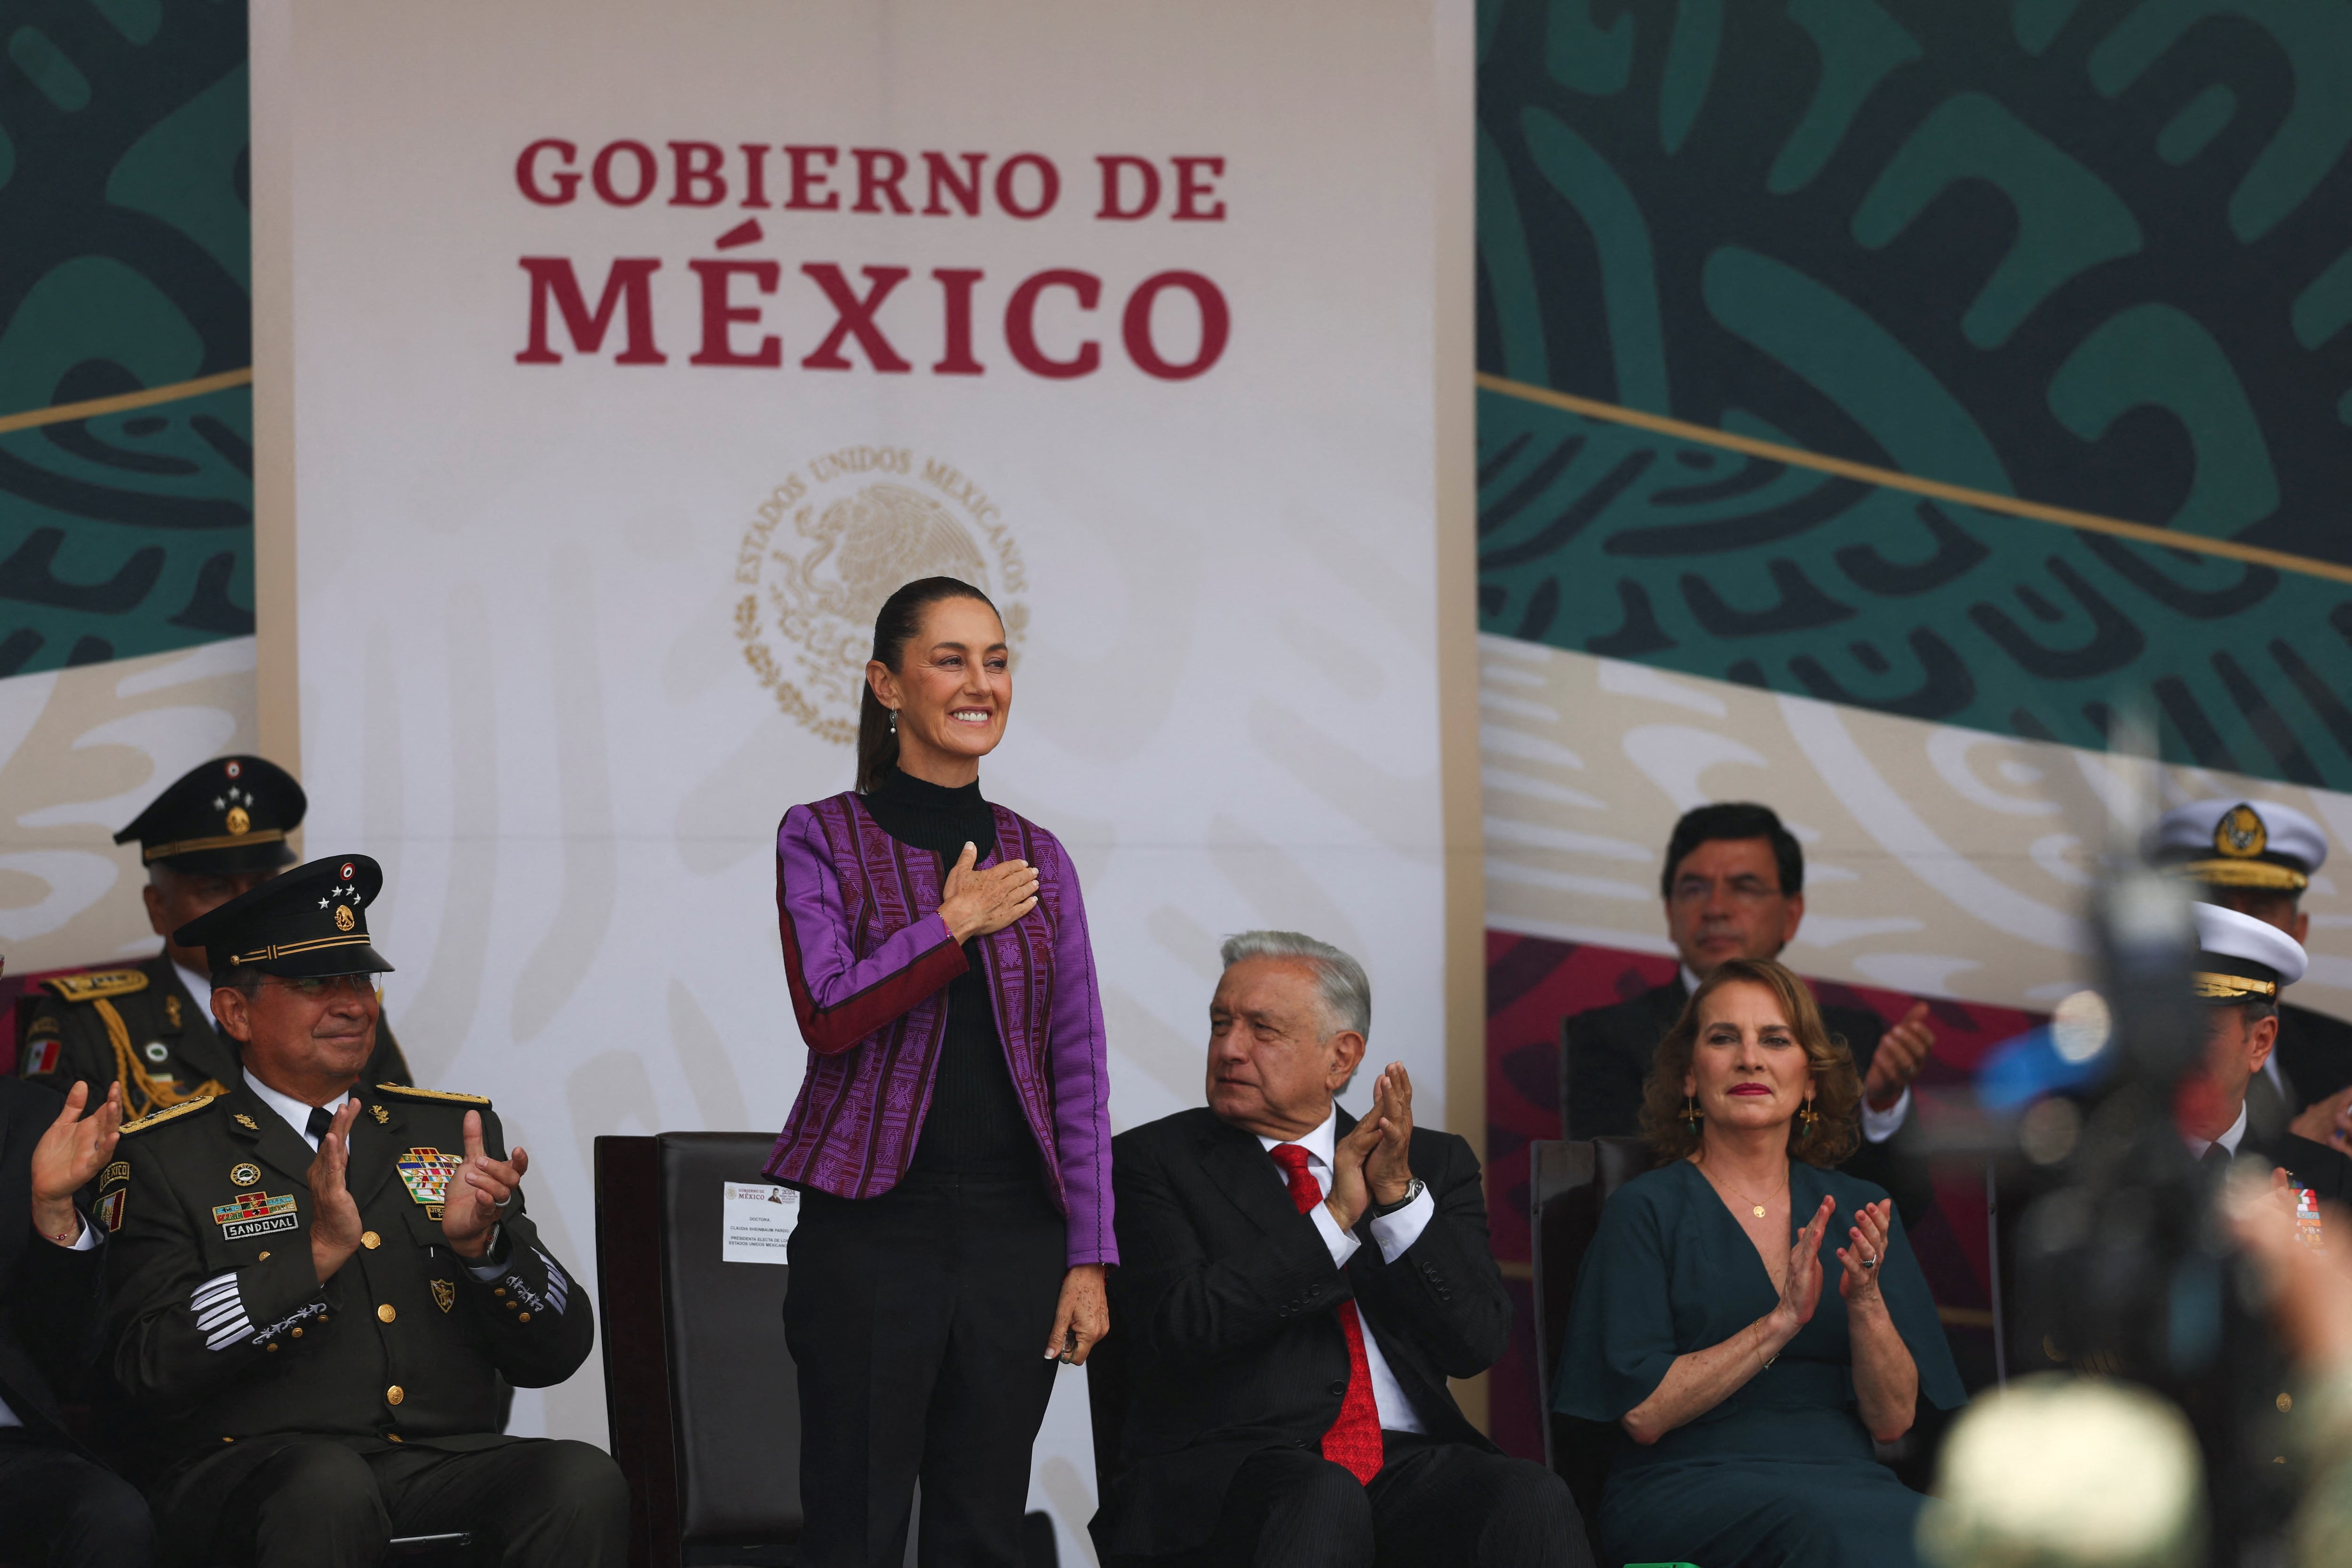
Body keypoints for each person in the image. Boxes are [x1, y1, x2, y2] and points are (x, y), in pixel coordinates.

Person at [103, 854, 624, 1568]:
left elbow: (560, 1350)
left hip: (438, 1461)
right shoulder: (165, 1155)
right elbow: (147, 1367)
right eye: (316, 982)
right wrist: (310, 1257)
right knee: (327, 1485)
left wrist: (487, 1254)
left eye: (361, 979)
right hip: (252, 1470)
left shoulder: (451, 1133)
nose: (354, 1004)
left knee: (580, 1477)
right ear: (235, 1011)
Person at [766, 576, 1116, 1568]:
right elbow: (828, 1013)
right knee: (856, 1524)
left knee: (985, 1530)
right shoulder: (820, 833)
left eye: (996, 660)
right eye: (950, 659)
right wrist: (950, 925)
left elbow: (1078, 1067)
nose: (981, 683)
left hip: (1018, 1236)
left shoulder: (1038, 854)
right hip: (873, 1228)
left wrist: (1088, 1254)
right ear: (886, 682)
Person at [1097, 930, 1587, 1568]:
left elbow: (1477, 1343)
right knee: (1322, 1496)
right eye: (1222, 1023)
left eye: (1262, 1030)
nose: (1230, 1049)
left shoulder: (1431, 1162)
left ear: (1341, 1057)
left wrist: (1396, 1197)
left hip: (1402, 1463)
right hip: (1229, 1474)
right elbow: (1184, 1324)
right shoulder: (1151, 1162)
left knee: (1528, 1495)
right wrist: (1333, 1221)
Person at [1554, 957, 1965, 1568]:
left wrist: (1865, 1303)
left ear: (1811, 1082)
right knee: (1813, 1530)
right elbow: (1642, 1414)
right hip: (1683, 1487)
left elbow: (1892, 1420)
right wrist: (1780, 1323)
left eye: (1775, 1039)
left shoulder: (1860, 1208)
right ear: (1691, 1077)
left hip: (1850, 1479)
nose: (1751, 1058)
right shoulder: (1644, 1208)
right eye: (1724, 1038)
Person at [1561, 802, 1934, 1218]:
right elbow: (1611, 1200)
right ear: (1670, 914)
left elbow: (1904, 1209)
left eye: (1744, 887)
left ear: (1791, 915)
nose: (1716, 908)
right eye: (1694, 889)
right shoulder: (1607, 1036)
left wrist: (1881, 1108)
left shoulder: (1854, 1039)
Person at [22, 756, 410, 1115]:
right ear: (157, 907)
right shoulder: (89, 1022)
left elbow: (397, 1135)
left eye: (261, 884)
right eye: (215, 888)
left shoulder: (341, 1006)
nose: (246, 908)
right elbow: (54, 1174)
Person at [0, 1068, 148, 1568]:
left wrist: (53, 1210)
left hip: (10, 1450)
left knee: (110, 1515)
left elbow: (72, 1356)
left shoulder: (37, 1120)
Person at [2147, 797, 2352, 1146]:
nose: (2238, 927)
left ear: (2298, 932)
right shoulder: (2129, 1056)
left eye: (2261, 909)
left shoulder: (2344, 1057)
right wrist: (2297, 1153)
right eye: (2217, 906)